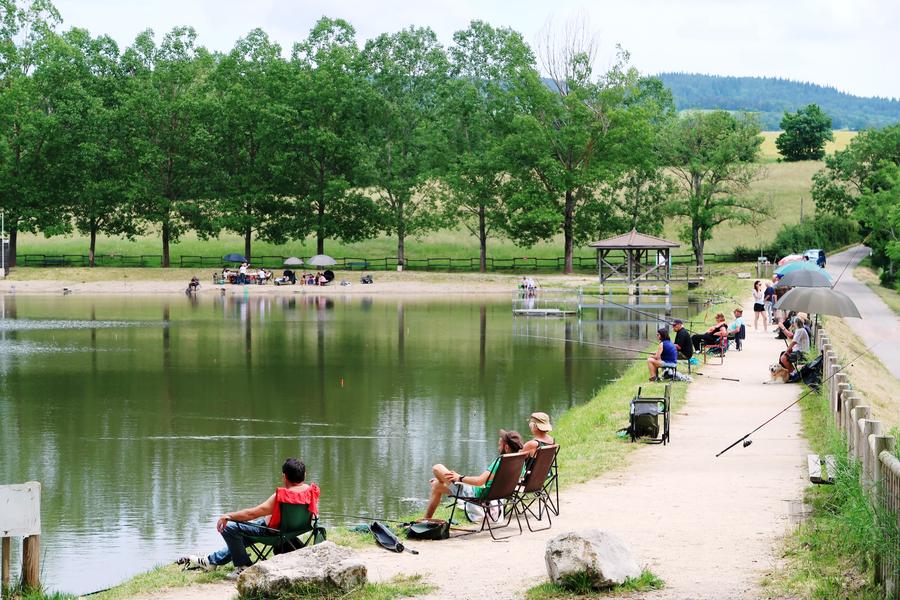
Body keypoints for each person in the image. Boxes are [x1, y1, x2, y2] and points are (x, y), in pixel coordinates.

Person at [177, 458, 320, 579]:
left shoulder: (282, 496)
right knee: (243, 535)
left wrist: (228, 516)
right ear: (304, 475)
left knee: (230, 528)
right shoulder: (312, 491)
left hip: (273, 533)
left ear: (284, 476)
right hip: (291, 532)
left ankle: (243, 566)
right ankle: (211, 561)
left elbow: (252, 513)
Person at [424, 430, 523, 519]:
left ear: (506, 447)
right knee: (436, 486)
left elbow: (479, 482)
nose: (498, 448)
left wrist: (460, 478)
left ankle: (425, 521)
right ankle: (426, 520)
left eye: (499, 445)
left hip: (477, 496)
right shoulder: (521, 463)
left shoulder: (500, 462)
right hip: (497, 498)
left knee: (437, 468)